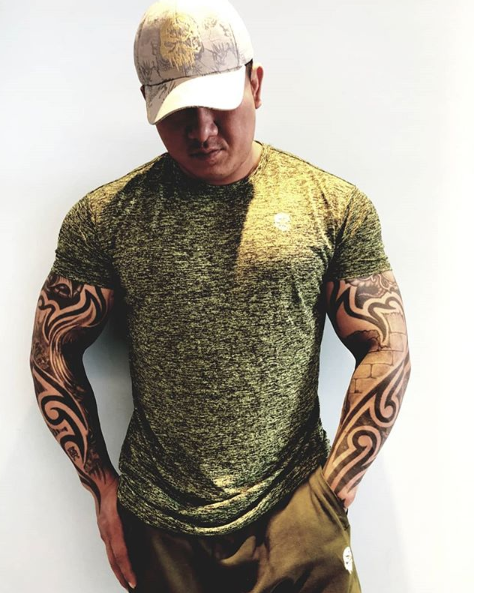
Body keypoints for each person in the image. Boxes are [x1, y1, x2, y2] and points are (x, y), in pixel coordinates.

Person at [29, 1, 411, 591]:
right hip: (160, 527)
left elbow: (386, 345)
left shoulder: (332, 207)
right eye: (180, 111)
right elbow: (52, 349)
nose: (203, 130)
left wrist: (334, 489)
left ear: (255, 84)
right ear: (149, 105)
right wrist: (101, 485)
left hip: (296, 512)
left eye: (219, 104)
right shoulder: (107, 217)